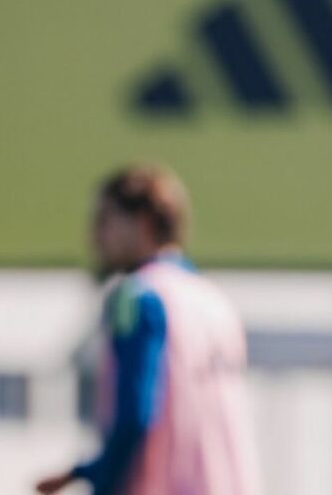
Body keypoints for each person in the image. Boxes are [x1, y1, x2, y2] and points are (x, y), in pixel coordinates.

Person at [36, 165, 260, 495]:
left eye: (105, 221)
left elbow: (135, 415)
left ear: (142, 222)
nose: (96, 237)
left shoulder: (138, 297)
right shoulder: (215, 302)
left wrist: (102, 482)